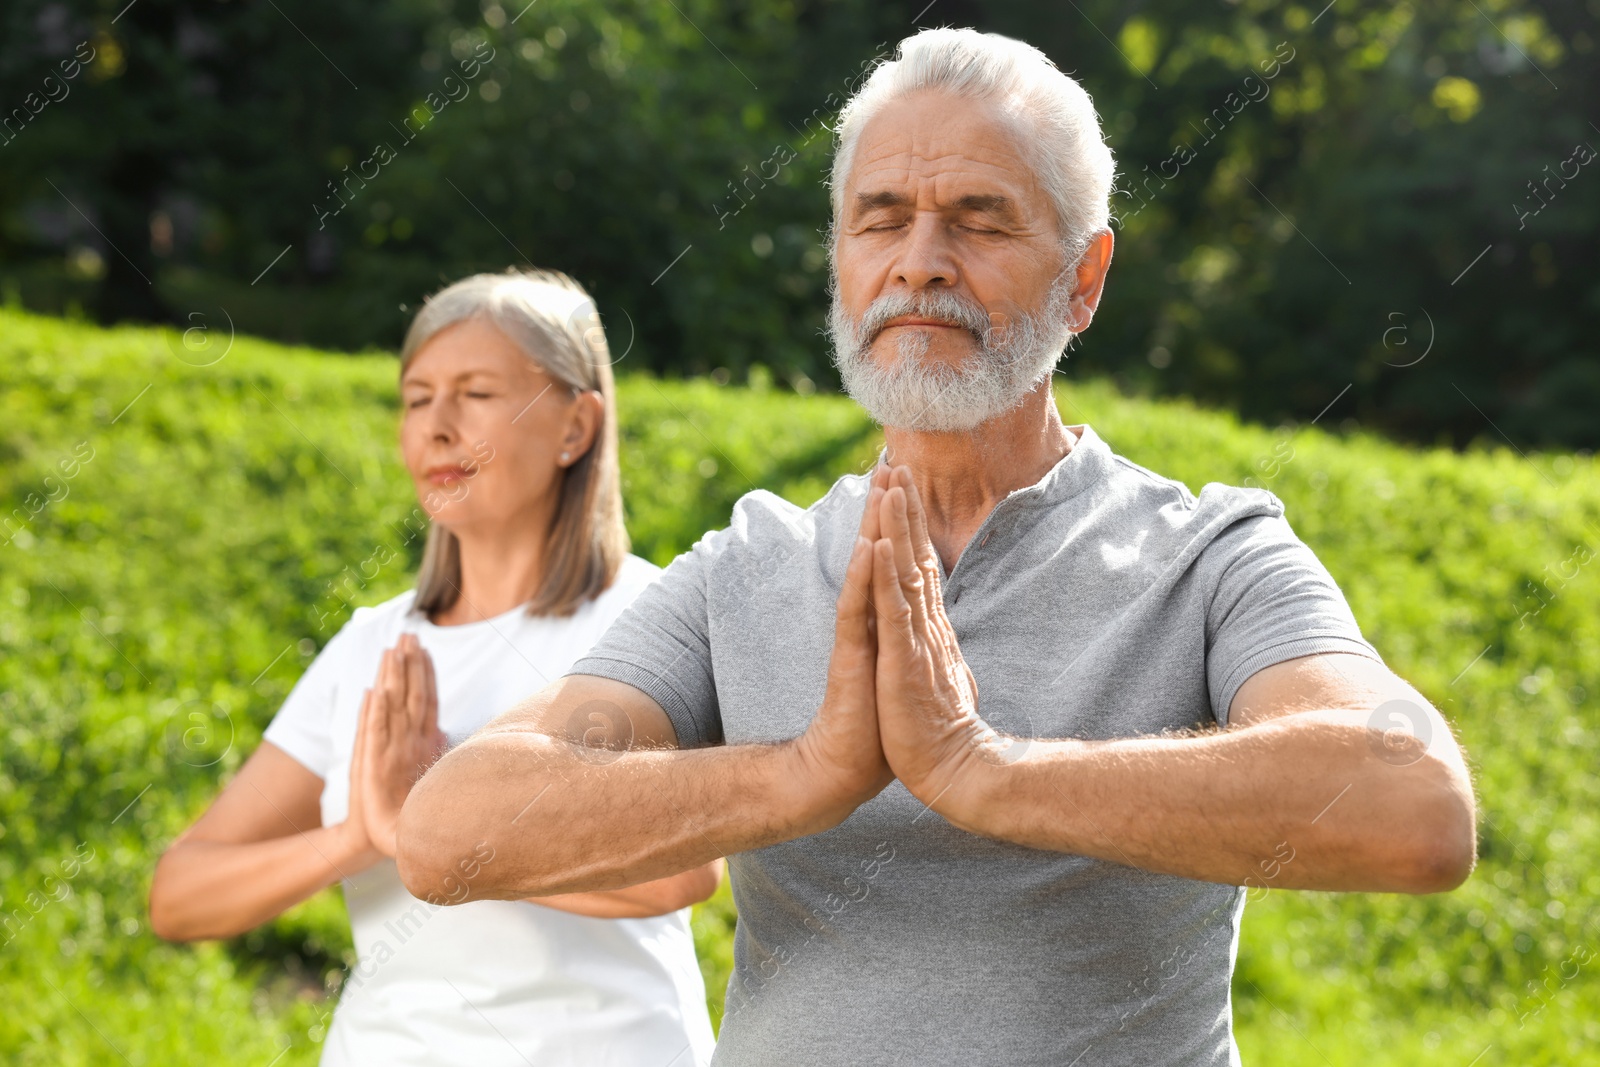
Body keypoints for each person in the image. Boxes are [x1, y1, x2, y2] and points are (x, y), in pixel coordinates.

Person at [396, 30, 1477, 1067]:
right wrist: (801, 773)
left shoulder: (1211, 554)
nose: (920, 263)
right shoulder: (747, 565)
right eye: (880, 219)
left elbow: (1414, 804)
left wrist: (981, 768)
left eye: (980, 219)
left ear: (1084, 278)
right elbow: (453, 833)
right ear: (841, 261)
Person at [149, 269, 719, 1067]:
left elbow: (681, 873)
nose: (436, 428)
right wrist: (358, 836)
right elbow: (181, 894)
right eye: (416, 399)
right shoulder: (372, 646)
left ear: (575, 427)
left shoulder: (649, 614)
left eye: (476, 393)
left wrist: (433, 825)